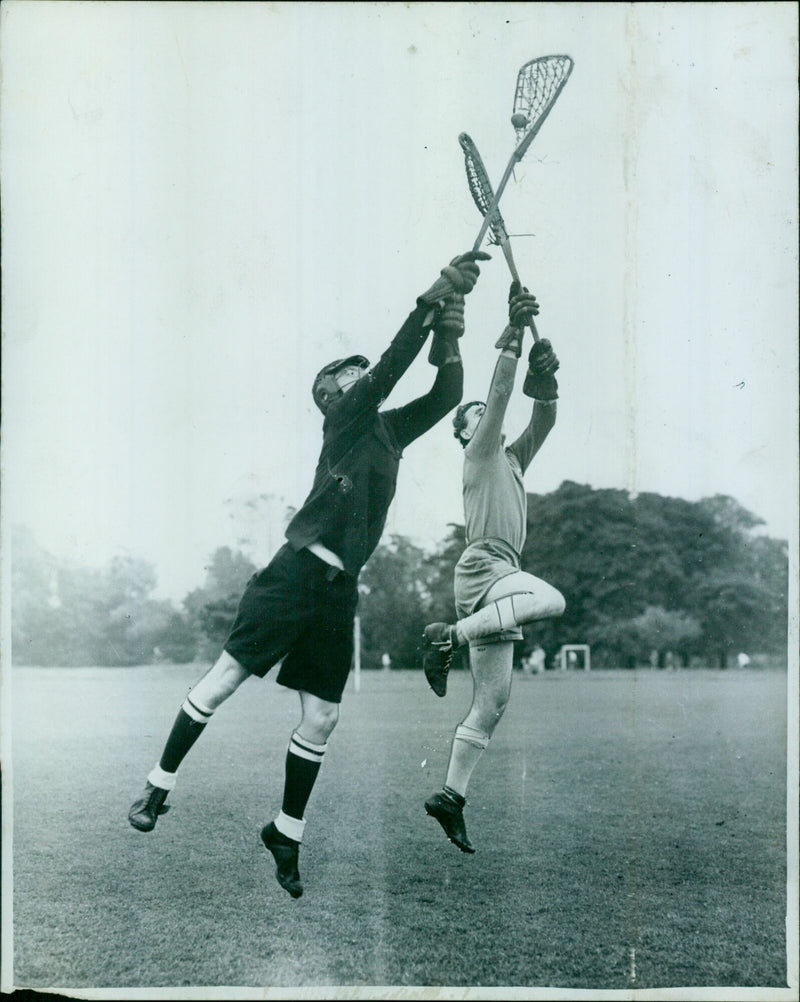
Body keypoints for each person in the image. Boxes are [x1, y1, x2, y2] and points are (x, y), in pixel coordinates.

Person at [127, 249, 490, 898]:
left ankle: (285, 833)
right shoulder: (347, 416)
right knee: (224, 681)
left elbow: (446, 395)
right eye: (351, 373)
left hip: (337, 591)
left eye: (361, 371)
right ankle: (158, 787)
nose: (363, 375)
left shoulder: (387, 431)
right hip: (290, 576)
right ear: (333, 394)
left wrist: (451, 333)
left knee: (322, 720)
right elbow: (389, 370)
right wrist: (428, 301)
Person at [420, 282, 566, 854]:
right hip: (486, 570)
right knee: (552, 599)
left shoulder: (511, 459)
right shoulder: (479, 453)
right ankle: (446, 637)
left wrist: (546, 379)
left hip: (499, 580)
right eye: (475, 417)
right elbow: (500, 398)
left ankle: (450, 798)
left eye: (483, 416)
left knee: (492, 703)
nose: (484, 419)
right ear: (464, 433)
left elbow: (544, 421)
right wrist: (511, 336)